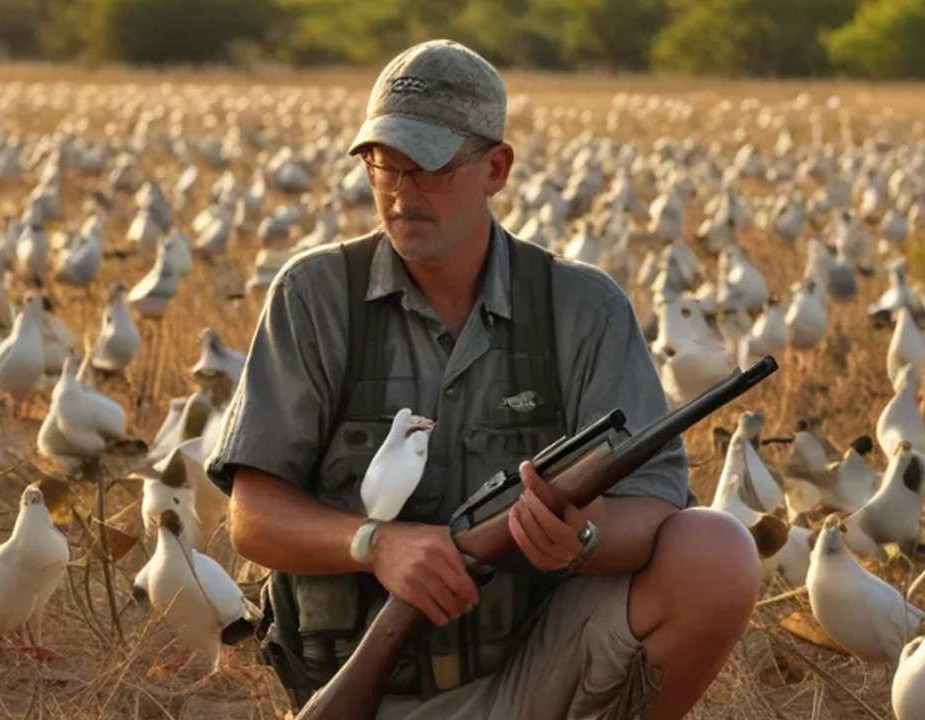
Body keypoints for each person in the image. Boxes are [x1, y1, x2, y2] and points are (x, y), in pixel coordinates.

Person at [205, 38, 761, 720]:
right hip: (363, 688)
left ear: (496, 168)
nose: (403, 194)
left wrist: (581, 540)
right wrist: (375, 545)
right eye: (384, 164)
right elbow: (251, 519)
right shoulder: (315, 296)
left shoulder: (583, 307)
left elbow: (653, 509)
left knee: (718, 551)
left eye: (430, 168)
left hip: (533, 674)